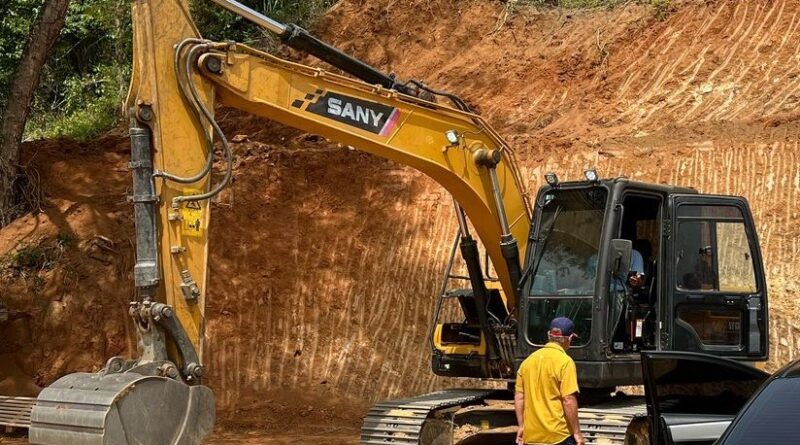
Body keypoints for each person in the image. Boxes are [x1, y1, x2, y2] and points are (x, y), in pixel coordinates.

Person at [515, 317, 585, 445]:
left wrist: (521, 426)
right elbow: (568, 399)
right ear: (569, 339)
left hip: (531, 436)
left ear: (549, 335)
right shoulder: (565, 362)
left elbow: (520, 396)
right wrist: (577, 432)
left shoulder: (527, 362)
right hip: (558, 436)